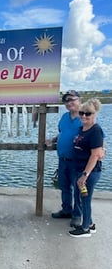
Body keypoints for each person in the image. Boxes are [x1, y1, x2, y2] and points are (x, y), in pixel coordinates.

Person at [69, 98, 104, 238]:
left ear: (94, 114)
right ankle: (89, 224)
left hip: (88, 172)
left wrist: (85, 175)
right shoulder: (82, 128)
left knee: (85, 199)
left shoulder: (96, 131)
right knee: (80, 198)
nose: (84, 116)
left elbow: (95, 155)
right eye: (82, 112)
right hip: (78, 169)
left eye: (88, 113)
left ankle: (85, 229)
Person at [51, 90, 82, 224]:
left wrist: (101, 149)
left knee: (78, 189)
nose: (69, 103)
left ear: (79, 100)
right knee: (64, 187)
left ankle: (77, 215)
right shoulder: (64, 117)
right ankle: (66, 210)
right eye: (66, 101)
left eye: (72, 99)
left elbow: (97, 135)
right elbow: (63, 133)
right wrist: (52, 140)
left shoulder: (86, 116)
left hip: (78, 161)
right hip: (63, 159)